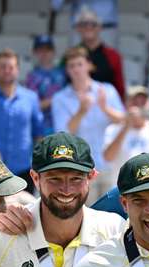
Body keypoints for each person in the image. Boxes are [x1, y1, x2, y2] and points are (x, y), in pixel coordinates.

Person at [52, 46, 124, 181]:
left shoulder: (107, 90)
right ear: (67, 70)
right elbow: (62, 135)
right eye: (71, 66)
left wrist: (105, 109)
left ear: (89, 66)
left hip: (109, 166)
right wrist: (81, 111)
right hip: (79, 169)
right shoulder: (60, 98)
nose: (76, 69)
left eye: (80, 64)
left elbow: (124, 121)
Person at [0, 49, 44, 187]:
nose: (7, 70)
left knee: (23, 208)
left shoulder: (31, 98)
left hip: (23, 169)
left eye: (11, 67)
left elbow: (38, 134)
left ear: (17, 70)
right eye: (2, 67)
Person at [102, 86, 149, 193]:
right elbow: (108, 157)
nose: (139, 106)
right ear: (126, 104)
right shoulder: (114, 129)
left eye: (143, 102)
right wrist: (126, 126)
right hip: (122, 190)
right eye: (135, 102)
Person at [73, 6, 125, 100]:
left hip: (106, 107)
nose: (89, 27)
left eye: (93, 24)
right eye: (84, 24)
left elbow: (120, 90)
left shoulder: (113, 56)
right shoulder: (70, 56)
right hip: (78, 106)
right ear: (78, 28)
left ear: (100, 27)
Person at [24, 36, 66, 135]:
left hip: (63, 123)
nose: (44, 53)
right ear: (35, 52)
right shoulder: (32, 76)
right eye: (40, 50)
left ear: (54, 52)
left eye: (48, 49)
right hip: (42, 127)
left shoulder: (64, 73)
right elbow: (33, 105)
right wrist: (54, 100)